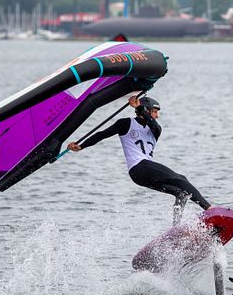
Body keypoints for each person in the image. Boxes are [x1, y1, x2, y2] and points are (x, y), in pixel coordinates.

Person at [68, 96, 212, 224]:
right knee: (180, 179)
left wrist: (139, 107)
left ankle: (176, 227)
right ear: (147, 110)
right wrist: (81, 146)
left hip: (144, 173)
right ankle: (209, 208)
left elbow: (153, 124)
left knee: (182, 192)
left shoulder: (156, 130)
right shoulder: (125, 124)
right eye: (155, 111)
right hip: (139, 167)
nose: (157, 115)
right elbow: (102, 134)